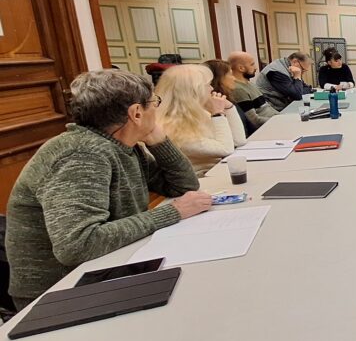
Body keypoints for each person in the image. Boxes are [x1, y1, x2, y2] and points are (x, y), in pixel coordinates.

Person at [5, 70, 210, 309]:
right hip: (58, 293)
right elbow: (78, 245)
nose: (156, 109)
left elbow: (183, 186)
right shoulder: (82, 154)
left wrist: (160, 142)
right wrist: (172, 212)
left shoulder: (121, 146)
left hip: (105, 269)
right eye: (154, 102)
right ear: (136, 113)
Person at [156, 64, 246, 176]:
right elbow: (225, 149)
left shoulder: (200, 113)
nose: (212, 88)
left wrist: (228, 107)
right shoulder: (171, 126)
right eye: (207, 85)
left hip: (217, 172)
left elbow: (239, 141)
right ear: (192, 91)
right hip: (201, 180)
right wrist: (218, 114)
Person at [228, 51, 279, 130]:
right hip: (267, 128)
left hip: (274, 121)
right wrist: (278, 120)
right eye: (252, 64)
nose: (255, 68)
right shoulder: (238, 90)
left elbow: (267, 108)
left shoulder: (249, 84)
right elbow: (254, 121)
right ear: (241, 68)